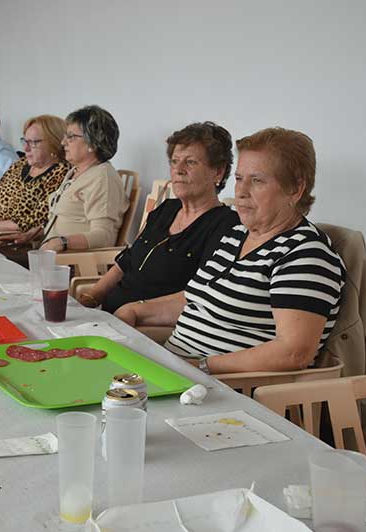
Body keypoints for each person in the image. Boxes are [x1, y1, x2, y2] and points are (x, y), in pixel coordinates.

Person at [115, 127, 345, 375]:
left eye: (256, 180)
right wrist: (136, 309)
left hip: (227, 391)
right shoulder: (238, 234)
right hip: (179, 371)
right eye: (238, 179)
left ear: (295, 189)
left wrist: (201, 367)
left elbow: (293, 352)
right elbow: (197, 298)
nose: (241, 192)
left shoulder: (306, 254)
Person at [78, 122, 240, 312]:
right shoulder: (166, 209)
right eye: (174, 161)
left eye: (190, 162)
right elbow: (126, 261)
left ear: (218, 172)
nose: (178, 169)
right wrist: (90, 297)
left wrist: (135, 312)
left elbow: (198, 296)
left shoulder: (225, 226)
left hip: (148, 327)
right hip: (109, 317)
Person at [39, 105, 128, 252]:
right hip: (50, 257)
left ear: (92, 142)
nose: (63, 142)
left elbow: (103, 237)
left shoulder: (102, 178)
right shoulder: (76, 171)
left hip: (75, 265)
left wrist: (62, 243)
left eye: (71, 137)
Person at [0, 114, 70, 240]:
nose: (25, 148)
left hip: (12, 242)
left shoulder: (62, 173)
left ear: (54, 142)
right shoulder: (21, 164)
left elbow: (35, 221)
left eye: (34, 142)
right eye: (25, 141)